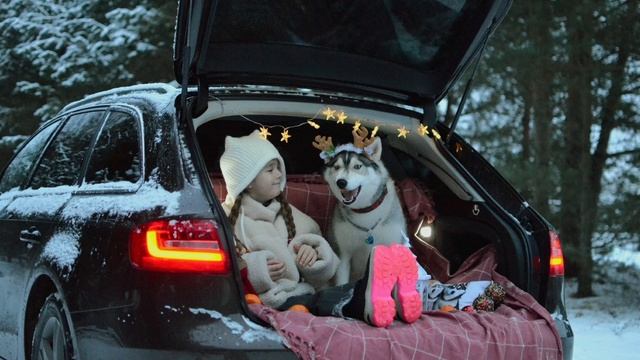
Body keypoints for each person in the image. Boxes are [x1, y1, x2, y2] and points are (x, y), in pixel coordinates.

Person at [219, 130, 423, 328]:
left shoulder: (291, 215)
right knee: (325, 302)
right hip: (270, 301)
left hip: (306, 292)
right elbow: (224, 270)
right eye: (270, 170)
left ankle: (391, 295)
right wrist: (257, 268)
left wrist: (314, 256)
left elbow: (327, 269)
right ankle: (367, 302)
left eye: (279, 167)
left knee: (332, 294)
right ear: (247, 182)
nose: (279, 174)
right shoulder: (226, 219)